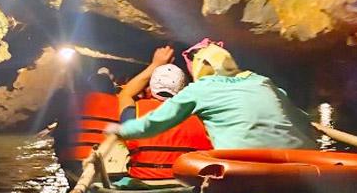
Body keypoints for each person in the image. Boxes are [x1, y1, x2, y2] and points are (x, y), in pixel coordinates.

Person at [107, 40, 315, 150]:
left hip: (244, 167)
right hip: (299, 162)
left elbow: (152, 122)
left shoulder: (200, 92)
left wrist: (121, 131)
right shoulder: (262, 81)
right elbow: (301, 120)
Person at [114, 46, 212, 184]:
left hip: (143, 186)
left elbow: (126, 94)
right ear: (183, 89)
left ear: (151, 87)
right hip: (185, 188)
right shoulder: (202, 117)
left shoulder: (135, 114)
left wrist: (155, 65)